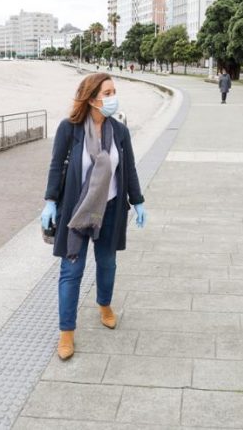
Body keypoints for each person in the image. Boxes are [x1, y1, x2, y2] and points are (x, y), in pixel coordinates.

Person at [41, 72, 147, 361]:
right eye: (108, 93)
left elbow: (130, 169)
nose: (113, 98)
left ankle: (104, 305)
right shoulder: (69, 129)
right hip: (77, 211)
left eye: (114, 92)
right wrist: (50, 202)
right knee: (71, 271)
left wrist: (137, 201)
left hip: (111, 208)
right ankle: (66, 332)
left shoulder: (120, 132)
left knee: (108, 263)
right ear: (91, 98)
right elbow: (55, 167)